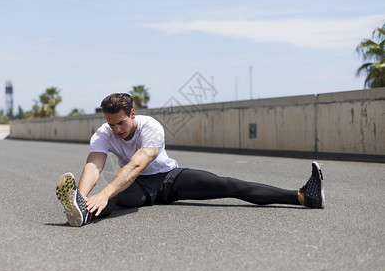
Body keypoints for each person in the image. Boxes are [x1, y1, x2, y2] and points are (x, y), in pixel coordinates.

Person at [56, 93, 325, 227]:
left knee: (227, 184)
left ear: (133, 114)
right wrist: (84, 194)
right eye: (111, 124)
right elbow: (94, 164)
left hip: (170, 178)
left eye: (121, 123)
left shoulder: (151, 127)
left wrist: (103, 192)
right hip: (139, 186)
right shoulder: (104, 132)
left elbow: (137, 164)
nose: (116, 130)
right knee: (113, 197)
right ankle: (82, 212)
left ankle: (303, 196)